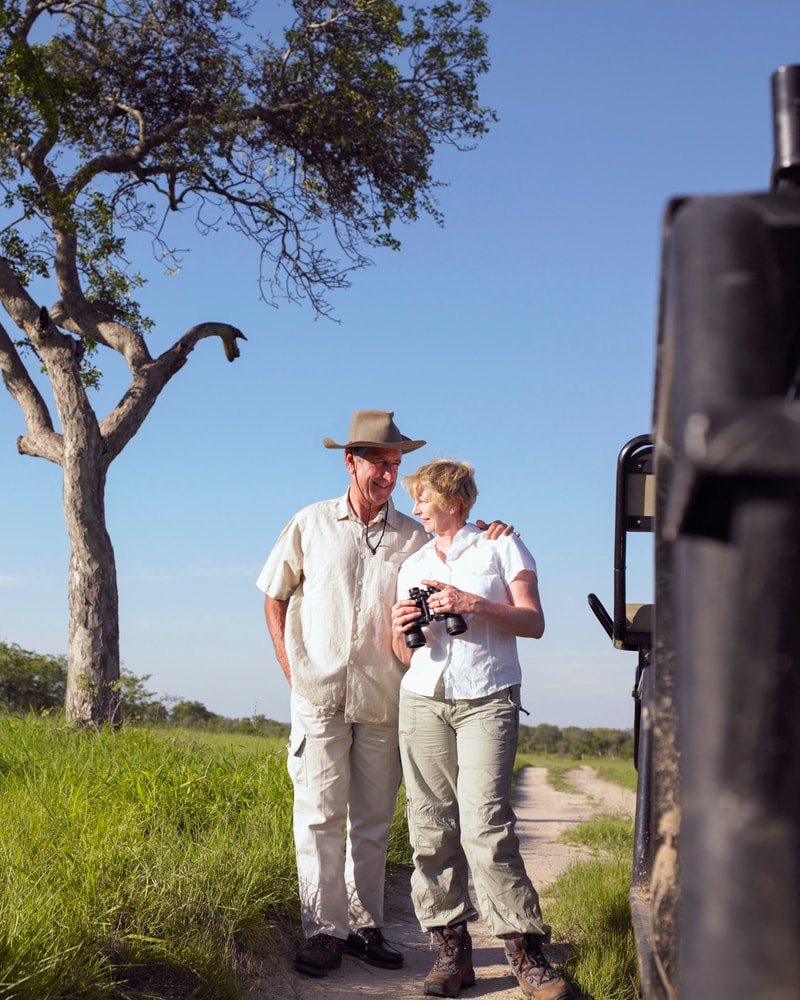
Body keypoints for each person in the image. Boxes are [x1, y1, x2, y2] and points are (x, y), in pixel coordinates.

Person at [256, 411, 511, 980]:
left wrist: (493, 531)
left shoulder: (416, 535)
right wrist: (288, 666)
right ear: (351, 461)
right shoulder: (311, 522)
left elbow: (458, 545)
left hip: (387, 698)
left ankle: (364, 924)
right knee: (319, 816)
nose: (390, 476)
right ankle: (324, 931)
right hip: (317, 695)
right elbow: (274, 596)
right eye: (380, 463)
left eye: (397, 465)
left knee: (372, 820)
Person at [391, 459, 575, 1000]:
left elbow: (533, 622)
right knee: (429, 825)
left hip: (488, 697)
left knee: (485, 826)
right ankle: (452, 949)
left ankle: (524, 949)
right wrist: (405, 627)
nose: (416, 506)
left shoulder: (503, 547)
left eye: (422, 497)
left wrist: (471, 604)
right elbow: (401, 652)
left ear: (454, 501)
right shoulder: (414, 563)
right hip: (424, 699)